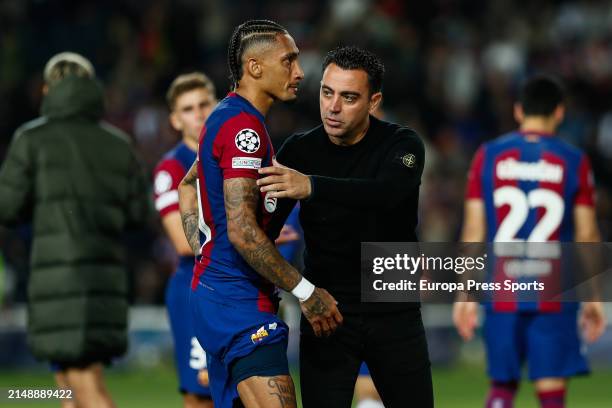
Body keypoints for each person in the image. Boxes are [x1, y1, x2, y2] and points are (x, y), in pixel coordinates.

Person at [177, 20, 342, 408]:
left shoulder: (226, 116)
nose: (300, 73)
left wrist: (204, 248)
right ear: (255, 67)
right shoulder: (242, 128)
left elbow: (189, 185)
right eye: (289, 61)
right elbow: (242, 232)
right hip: (238, 304)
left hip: (219, 293)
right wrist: (306, 292)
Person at [257, 46, 433, 408]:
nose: (333, 107)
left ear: (373, 101)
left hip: (392, 305)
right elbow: (262, 227)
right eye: (327, 93)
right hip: (328, 310)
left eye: (349, 97)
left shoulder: (402, 145)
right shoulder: (299, 151)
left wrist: (312, 186)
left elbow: (387, 194)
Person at [0, 52, 150, 407]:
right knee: (68, 387)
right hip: (105, 280)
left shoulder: (30, 139)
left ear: (48, 88)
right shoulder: (119, 144)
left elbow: (7, 208)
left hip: (57, 279)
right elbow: (139, 215)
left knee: (83, 384)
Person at [453, 76, 607, 408]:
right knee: (551, 390)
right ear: (560, 112)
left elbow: (474, 228)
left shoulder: (488, 155)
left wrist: (465, 293)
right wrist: (593, 296)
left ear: (519, 110)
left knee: (503, 385)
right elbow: (586, 234)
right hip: (554, 289)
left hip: (502, 287)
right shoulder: (573, 160)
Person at [153, 72, 217, 407]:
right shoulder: (171, 169)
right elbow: (182, 241)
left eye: (205, 104)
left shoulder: (234, 157)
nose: (200, 113)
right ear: (176, 120)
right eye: (189, 108)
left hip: (238, 286)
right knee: (201, 395)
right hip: (194, 288)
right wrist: (250, 241)